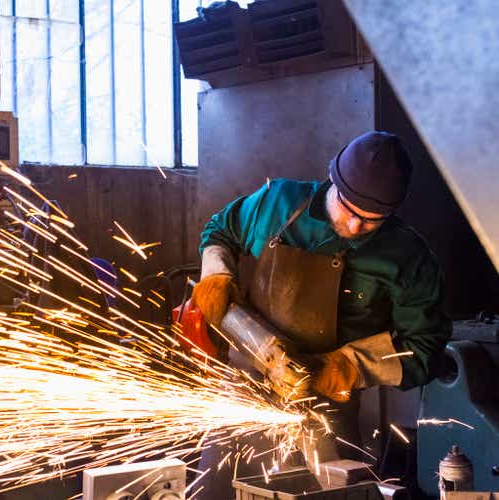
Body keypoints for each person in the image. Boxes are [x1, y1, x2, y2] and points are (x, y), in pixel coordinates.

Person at [192, 131, 452, 499]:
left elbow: (425, 348)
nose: (356, 226)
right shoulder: (277, 202)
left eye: (372, 220)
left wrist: (347, 366)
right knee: (213, 492)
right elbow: (220, 231)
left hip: (327, 404)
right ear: (334, 180)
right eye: (349, 209)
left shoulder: (409, 257)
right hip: (244, 386)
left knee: (334, 491)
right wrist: (216, 275)